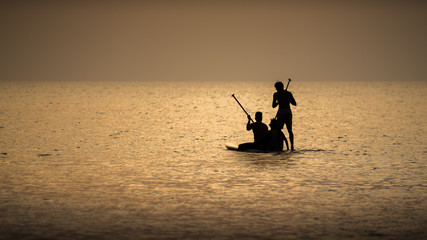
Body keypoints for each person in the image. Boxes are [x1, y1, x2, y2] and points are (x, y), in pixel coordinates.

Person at [272, 81, 297, 151]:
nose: (276, 89)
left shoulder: (276, 94)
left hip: (282, 113)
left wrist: (281, 100)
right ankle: (291, 147)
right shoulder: (288, 94)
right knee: (289, 130)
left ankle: (280, 146)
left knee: (278, 130)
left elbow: (273, 106)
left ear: (277, 88)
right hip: (288, 112)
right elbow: (294, 103)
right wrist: (281, 101)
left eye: (276, 88)